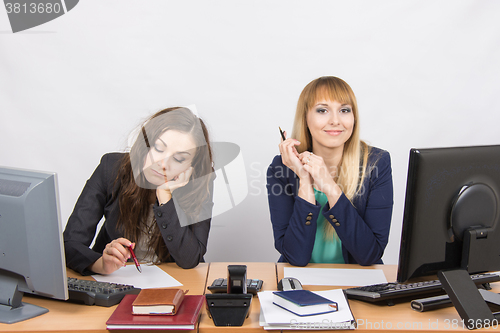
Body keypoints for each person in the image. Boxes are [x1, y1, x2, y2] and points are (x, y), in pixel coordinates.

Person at [63, 107, 214, 275]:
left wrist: (165, 196)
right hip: (116, 283)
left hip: (174, 286)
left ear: (192, 167)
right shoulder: (111, 168)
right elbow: (70, 243)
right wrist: (101, 265)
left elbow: (190, 259)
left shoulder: (199, 183)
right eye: (158, 148)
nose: (163, 164)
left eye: (179, 159)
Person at [266, 76, 393, 266]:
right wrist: (304, 181)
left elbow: (370, 255)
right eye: (322, 110)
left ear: (354, 118)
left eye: (344, 110)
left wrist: (330, 187)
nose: (335, 120)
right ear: (305, 118)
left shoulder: (376, 164)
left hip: (357, 284)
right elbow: (296, 257)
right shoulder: (281, 168)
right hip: (302, 283)